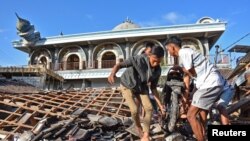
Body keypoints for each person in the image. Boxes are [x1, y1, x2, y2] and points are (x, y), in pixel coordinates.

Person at [165, 36, 223, 141]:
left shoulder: (184, 52)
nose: (168, 52)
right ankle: (202, 134)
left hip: (209, 83)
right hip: (209, 83)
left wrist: (180, 68)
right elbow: (187, 77)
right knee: (202, 111)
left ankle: (201, 139)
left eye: (168, 49)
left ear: (172, 47)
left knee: (190, 115)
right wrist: (186, 96)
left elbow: (191, 72)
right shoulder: (185, 55)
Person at [108, 45, 165, 141]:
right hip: (127, 85)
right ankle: (138, 127)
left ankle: (146, 135)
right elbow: (119, 65)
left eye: (158, 62)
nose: (155, 64)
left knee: (149, 108)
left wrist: (160, 105)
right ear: (149, 55)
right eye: (154, 60)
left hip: (141, 87)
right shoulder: (138, 60)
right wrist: (112, 74)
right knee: (134, 110)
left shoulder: (158, 70)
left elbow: (154, 88)